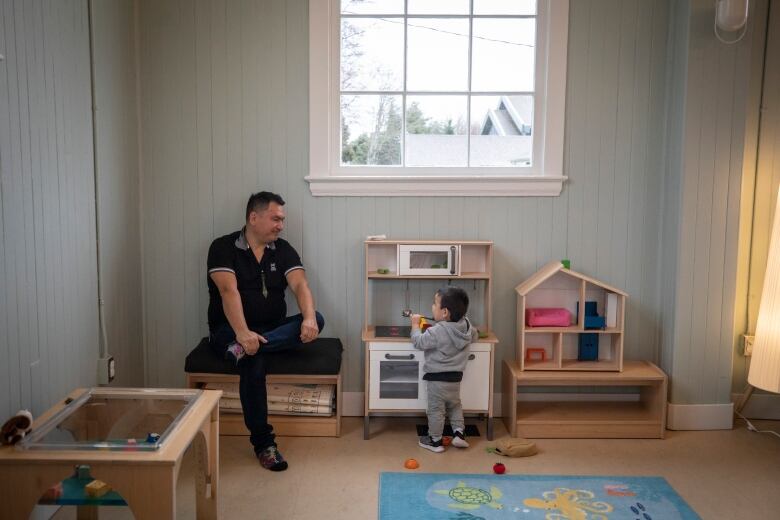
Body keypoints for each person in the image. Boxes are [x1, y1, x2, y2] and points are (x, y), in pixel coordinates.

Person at [207, 191, 324, 471]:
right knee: (252, 360)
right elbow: (227, 290)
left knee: (317, 317)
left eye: (282, 220)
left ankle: (253, 345)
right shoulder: (223, 247)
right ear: (253, 217)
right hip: (229, 330)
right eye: (275, 219)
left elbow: (300, 285)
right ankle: (264, 445)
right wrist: (242, 333)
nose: (280, 225)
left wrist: (307, 318)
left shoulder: (282, 249)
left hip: (273, 329)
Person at [410, 287, 477, 453]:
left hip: (437, 379)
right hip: (455, 379)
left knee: (436, 411)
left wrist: (415, 325)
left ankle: (435, 441)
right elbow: (474, 335)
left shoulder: (437, 331)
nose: (432, 306)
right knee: (455, 406)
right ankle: (459, 434)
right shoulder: (466, 325)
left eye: (435, 303)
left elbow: (419, 342)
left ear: (445, 312)